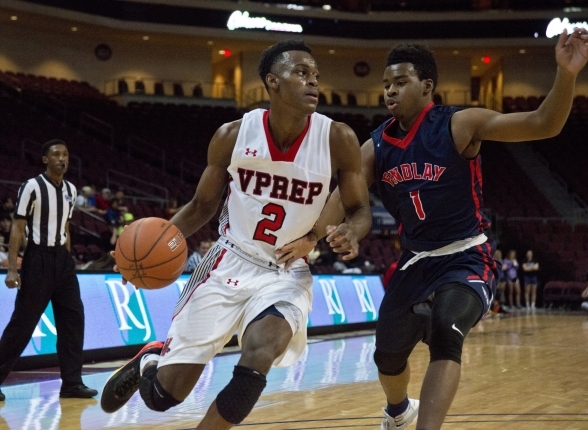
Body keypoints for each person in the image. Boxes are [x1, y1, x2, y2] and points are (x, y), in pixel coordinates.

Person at [316, 28, 588, 430]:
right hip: (415, 261)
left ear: (427, 86)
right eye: (386, 85)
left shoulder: (460, 124)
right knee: (387, 356)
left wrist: (566, 74)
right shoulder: (375, 146)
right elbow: (344, 197)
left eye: (401, 82)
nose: (390, 91)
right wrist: (320, 235)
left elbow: (542, 123)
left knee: (447, 334)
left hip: (467, 255)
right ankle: (397, 412)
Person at [100, 40, 372, 429]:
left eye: (315, 76)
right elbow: (201, 207)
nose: (313, 82)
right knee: (163, 397)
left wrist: (347, 232)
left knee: (259, 355)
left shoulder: (337, 139)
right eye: (301, 73)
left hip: (286, 272)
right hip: (229, 260)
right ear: (272, 82)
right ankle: (151, 358)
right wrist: (140, 255)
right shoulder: (233, 135)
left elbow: (360, 210)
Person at [0, 139, 98, 402]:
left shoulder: (70, 189)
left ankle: (72, 383)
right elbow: (18, 227)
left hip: (62, 261)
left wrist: (67, 259)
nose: (62, 158)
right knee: (23, 323)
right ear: (45, 159)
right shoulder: (32, 186)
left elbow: (65, 227)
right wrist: (12, 268)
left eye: (65, 154)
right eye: (56, 154)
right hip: (37, 258)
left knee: (73, 319)